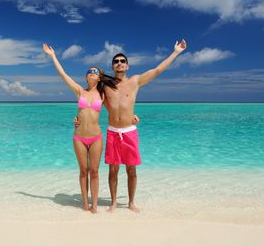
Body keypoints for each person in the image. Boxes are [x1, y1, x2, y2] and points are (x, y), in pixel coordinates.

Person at [76, 39, 187, 212]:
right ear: (112, 67)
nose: (119, 63)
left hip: (129, 131)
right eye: (116, 62)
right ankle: (113, 203)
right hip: (113, 131)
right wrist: (78, 119)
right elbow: (89, 99)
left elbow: (157, 70)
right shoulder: (105, 87)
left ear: (127, 66)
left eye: (122, 61)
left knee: (131, 170)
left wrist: (176, 52)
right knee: (113, 170)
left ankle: (131, 202)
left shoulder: (135, 81)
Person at [42, 43, 139, 213]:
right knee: (83, 171)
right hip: (79, 136)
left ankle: (95, 206)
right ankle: (85, 206)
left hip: (96, 137)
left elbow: (119, 106)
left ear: (100, 76)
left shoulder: (103, 94)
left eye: (95, 71)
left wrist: (131, 117)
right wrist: (53, 56)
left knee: (94, 171)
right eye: (89, 71)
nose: (92, 73)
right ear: (86, 76)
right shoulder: (79, 91)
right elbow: (64, 75)